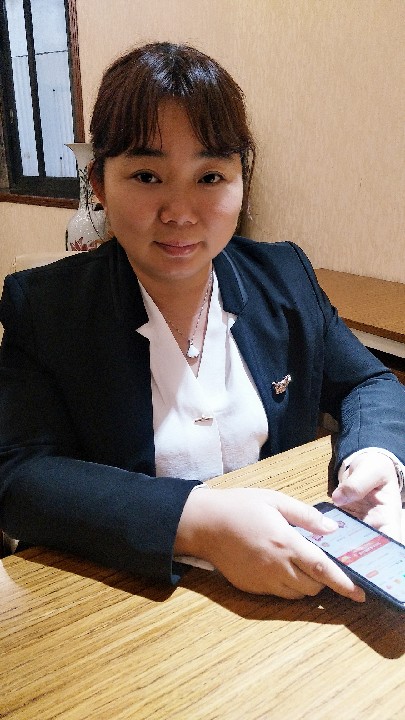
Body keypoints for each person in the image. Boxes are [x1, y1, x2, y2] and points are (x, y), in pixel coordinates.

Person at [0, 42, 404, 601]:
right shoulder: (47, 308)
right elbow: (19, 476)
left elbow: (370, 381)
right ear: (99, 184)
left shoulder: (284, 275)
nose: (181, 213)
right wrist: (199, 523)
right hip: (130, 600)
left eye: (210, 176)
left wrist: (375, 457)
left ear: (240, 180)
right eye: (147, 175)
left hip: (289, 589)